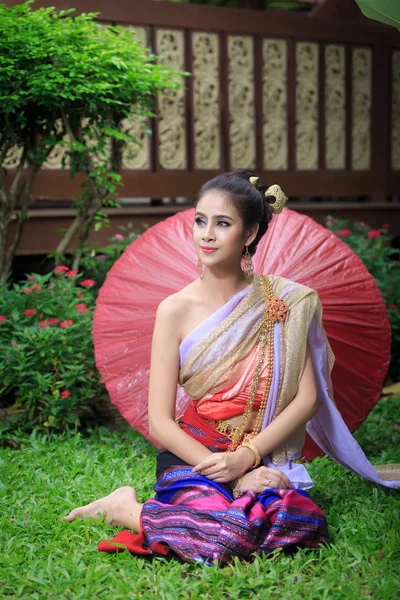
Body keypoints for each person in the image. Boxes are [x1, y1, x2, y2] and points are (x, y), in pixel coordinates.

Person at [64, 170, 399, 564]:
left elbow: (307, 398)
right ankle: (125, 508)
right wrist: (237, 476)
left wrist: (248, 457)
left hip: (259, 455)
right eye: (200, 220)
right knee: (228, 536)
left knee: (302, 521)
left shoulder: (288, 301)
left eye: (222, 224)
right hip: (195, 456)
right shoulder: (174, 310)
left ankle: (158, 514)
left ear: (250, 233)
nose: (206, 234)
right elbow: (160, 423)